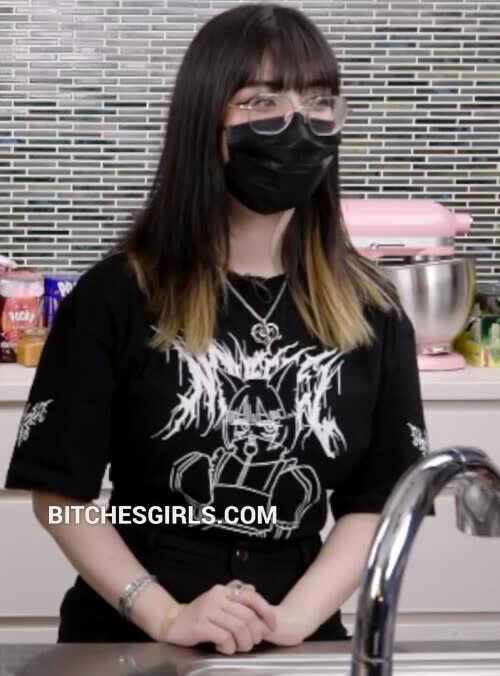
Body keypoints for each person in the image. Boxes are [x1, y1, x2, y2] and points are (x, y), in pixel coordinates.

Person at [4, 2, 430, 654]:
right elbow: (59, 497)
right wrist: (165, 615)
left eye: (319, 102)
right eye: (262, 102)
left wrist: (291, 621)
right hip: (131, 642)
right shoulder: (116, 296)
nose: (298, 126)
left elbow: (381, 499)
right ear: (206, 123)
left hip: (296, 643)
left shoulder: (373, 309)